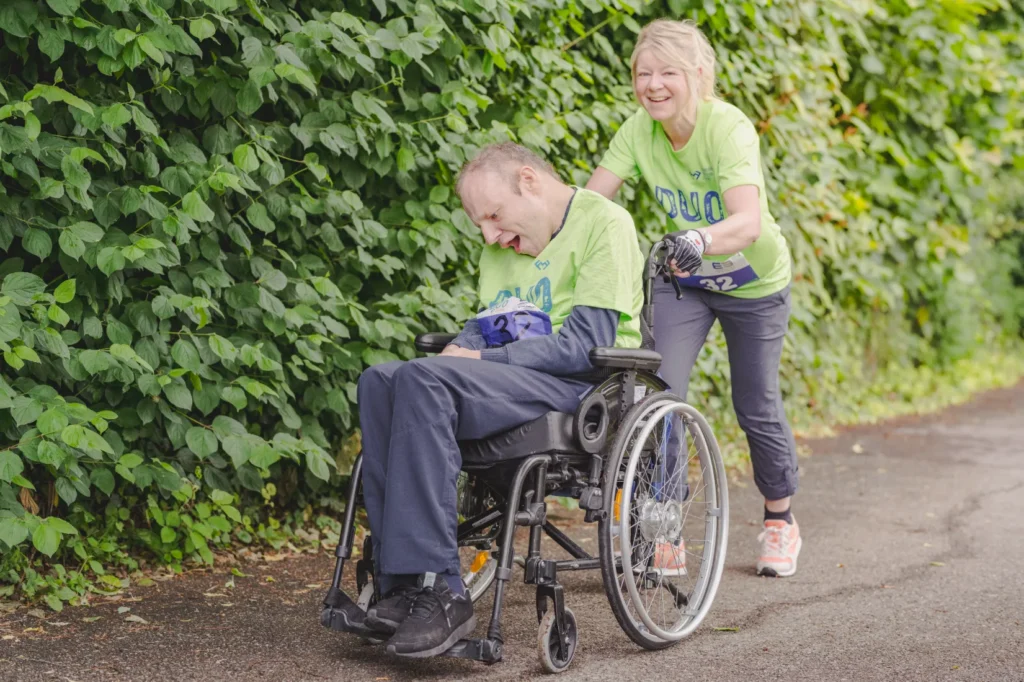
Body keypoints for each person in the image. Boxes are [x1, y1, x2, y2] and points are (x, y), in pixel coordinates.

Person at [330, 142, 645, 658]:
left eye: (495, 217)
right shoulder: (503, 244)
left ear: (530, 181)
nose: (490, 236)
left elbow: (583, 347)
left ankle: (442, 590)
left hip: (576, 385)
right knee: (382, 381)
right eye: (480, 225)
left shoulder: (604, 223)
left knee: (425, 381)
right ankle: (401, 583)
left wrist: (480, 362)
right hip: (509, 383)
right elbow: (494, 323)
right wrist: (464, 347)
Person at [585, 18, 803, 577]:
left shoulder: (727, 128)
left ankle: (780, 520)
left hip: (753, 282)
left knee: (754, 403)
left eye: (667, 73)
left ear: (699, 76)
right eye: (642, 73)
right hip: (686, 280)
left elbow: (748, 223)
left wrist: (699, 237)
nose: (652, 85)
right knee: (657, 398)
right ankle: (665, 529)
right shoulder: (637, 131)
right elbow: (591, 205)